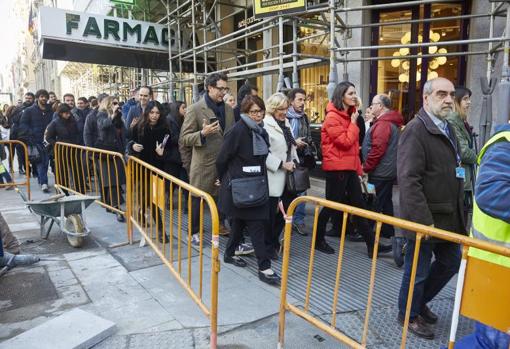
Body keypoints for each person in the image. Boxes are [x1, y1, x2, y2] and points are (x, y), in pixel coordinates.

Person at [397, 77, 466, 340]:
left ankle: (418, 302)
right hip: (425, 219)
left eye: (451, 94)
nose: (448, 99)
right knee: (418, 270)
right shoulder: (416, 130)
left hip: (448, 215)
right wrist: (423, 222)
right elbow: (408, 180)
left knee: (451, 261)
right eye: (441, 94)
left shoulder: (447, 127)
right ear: (426, 98)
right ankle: (409, 314)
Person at [314, 81, 392, 256]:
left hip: (348, 168)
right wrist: (354, 123)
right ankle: (318, 240)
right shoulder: (333, 117)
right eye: (350, 93)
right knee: (331, 206)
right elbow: (345, 142)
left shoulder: (348, 116)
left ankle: (372, 244)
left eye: (355, 93)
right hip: (336, 169)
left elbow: (352, 149)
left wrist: (359, 170)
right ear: (341, 95)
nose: (354, 96)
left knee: (359, 206)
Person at [453, 122, 510, 349]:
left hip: (497, 264)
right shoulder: (504, 144)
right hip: (496, 268)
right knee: (492, 341)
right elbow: (490, 194)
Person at [216, 95, 280, 285]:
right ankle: (264, 267)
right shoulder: (237, 131)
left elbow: (263, 158)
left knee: (239, 224)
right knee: (257, 226)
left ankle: (228, 254)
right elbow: (221, 159)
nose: (258, 115)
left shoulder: (261, 131)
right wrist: (224, 179)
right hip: (240, 188)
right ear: (245, 112)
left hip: (257, 186)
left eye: (260, 111)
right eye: (253, 111)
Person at [179, 72, 235, 245]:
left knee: (222, 197)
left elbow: (230, 134)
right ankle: (194, 232)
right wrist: (202, 133)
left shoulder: (228, 109)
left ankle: (219, 226)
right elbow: (184, 138)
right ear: (209, 88)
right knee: (197, 199)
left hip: (223, 163)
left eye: (226, 88)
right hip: (203, 165)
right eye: (220, 88)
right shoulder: (195, 109)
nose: (223, 92)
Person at [128, 101, 172, 240]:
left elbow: (169, 150)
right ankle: (158, 228)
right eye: (152, 112)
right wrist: (133, 146)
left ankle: (153, 223)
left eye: (157, 113)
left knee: (154, 199)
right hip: (140, 169)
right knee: (147, 198)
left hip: (157, 169)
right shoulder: (138, 127)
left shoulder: (165, 129)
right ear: (147, 113)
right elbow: (129, 142)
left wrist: (162, 153)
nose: (154, 116)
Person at [362, 94, 403, 238]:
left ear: (381, 106)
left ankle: (367, 233)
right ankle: (387, 231)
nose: (371, 106)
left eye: (373, 104)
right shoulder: (386, 122)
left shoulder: (384, 124)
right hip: (386, 171)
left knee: (375, 202)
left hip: (380, 172)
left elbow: (377, 150)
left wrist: (366, 167)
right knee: (385, 202)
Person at [263, 92, 299, 259]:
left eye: (286, 108)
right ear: (272, 108)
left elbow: (289, 147)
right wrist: (281, 164)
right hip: (273, 175)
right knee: (271, 214)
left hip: (288, 176)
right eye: (280, 109)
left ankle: (275, 241)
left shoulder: (286, 123)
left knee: (286, 212)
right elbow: (263, 153)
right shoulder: (265, 124)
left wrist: (294, 161)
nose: (284, 112)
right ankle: (268, 245)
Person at [446, 87, 476, 227]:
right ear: (455, 101)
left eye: (469, 99)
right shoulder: (453, 120)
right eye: (465, 99)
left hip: (463, 177)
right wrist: (480, 157)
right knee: (459, 220)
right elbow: (463, 152)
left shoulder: (461, 120)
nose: (469, 102)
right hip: (458, 179)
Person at [95, 96, 127, 222]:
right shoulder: (101, 115)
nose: (116, 105)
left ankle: (110, 205)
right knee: (111, 181)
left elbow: (123, 132)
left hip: (117, 152)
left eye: (117, 103)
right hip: (105, 153)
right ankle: (116, 208)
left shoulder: (118, 116)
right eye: (113, 103)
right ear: (107, 104)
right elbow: (103, 126)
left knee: (115, 182)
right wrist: (112, 115)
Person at [286, 88, 312, 236]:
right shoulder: (284, 117)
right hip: (286, 160)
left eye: (304, 100)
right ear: (291, 101)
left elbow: (307, 135)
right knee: (287, 190)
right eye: (299, 100)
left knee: (302, 189)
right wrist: (294, 143)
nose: (303, 103)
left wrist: (306, 143)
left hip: (301, 159)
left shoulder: (304, 117)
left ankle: (299, 220)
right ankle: (285, 219)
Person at [19, 89, 53, 193]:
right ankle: (44, 183)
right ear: (37, 98)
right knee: (40, 162)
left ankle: (41, 180)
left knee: (45, 162)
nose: (44, 98)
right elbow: (23, 124)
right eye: (42, 96)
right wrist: (31, 133)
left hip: (47, 140)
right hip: (35, 141)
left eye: (45, 97)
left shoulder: (50, 110)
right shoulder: (29, 110)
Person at [9, 92, 34, 174]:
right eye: (26, 98)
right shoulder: (19, 108)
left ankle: (34, 170)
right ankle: (25, 169)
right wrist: (23, 112)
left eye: (30, 98)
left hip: (33, 135)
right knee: (22, 154)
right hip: (21, 135)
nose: (28, 100)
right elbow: (14, 120)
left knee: (33, 154)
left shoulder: (35, 108)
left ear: (33, 99)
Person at [166, 101, 187, 179]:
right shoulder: (169, 120)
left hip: (180, 156)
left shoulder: (181, 119)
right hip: (172, 156)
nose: (185, 110)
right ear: (176, 108)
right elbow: (172, 138)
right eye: (183, 108)